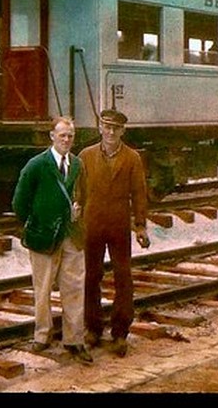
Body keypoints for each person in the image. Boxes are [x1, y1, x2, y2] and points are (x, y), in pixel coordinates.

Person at [12, 116, 93, 364]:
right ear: (52, 136)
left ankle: (74, 340)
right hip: (44, 237)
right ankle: (42, 336)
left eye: (70, 136)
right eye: (62, 136)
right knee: (43, 288)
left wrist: (80, 209)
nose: (67, 140)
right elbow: (19, 203)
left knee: (74, 289)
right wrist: (37, 223)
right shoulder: (37, 165)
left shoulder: (78, 165)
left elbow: (86, 195)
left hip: (71, 236)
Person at [79, 108, 150, 358]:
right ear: (100, 128)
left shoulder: (132, 158)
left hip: (119, 225)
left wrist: (140, 225)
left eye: (115, 128)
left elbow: (139, 193)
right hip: (92, 224)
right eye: (106, 127)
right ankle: (93, 328)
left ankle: (120, 333)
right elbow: (78, 192)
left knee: (123, 276)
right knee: (90, 276)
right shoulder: (85, 156)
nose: (110, 132)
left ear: (123, 131)